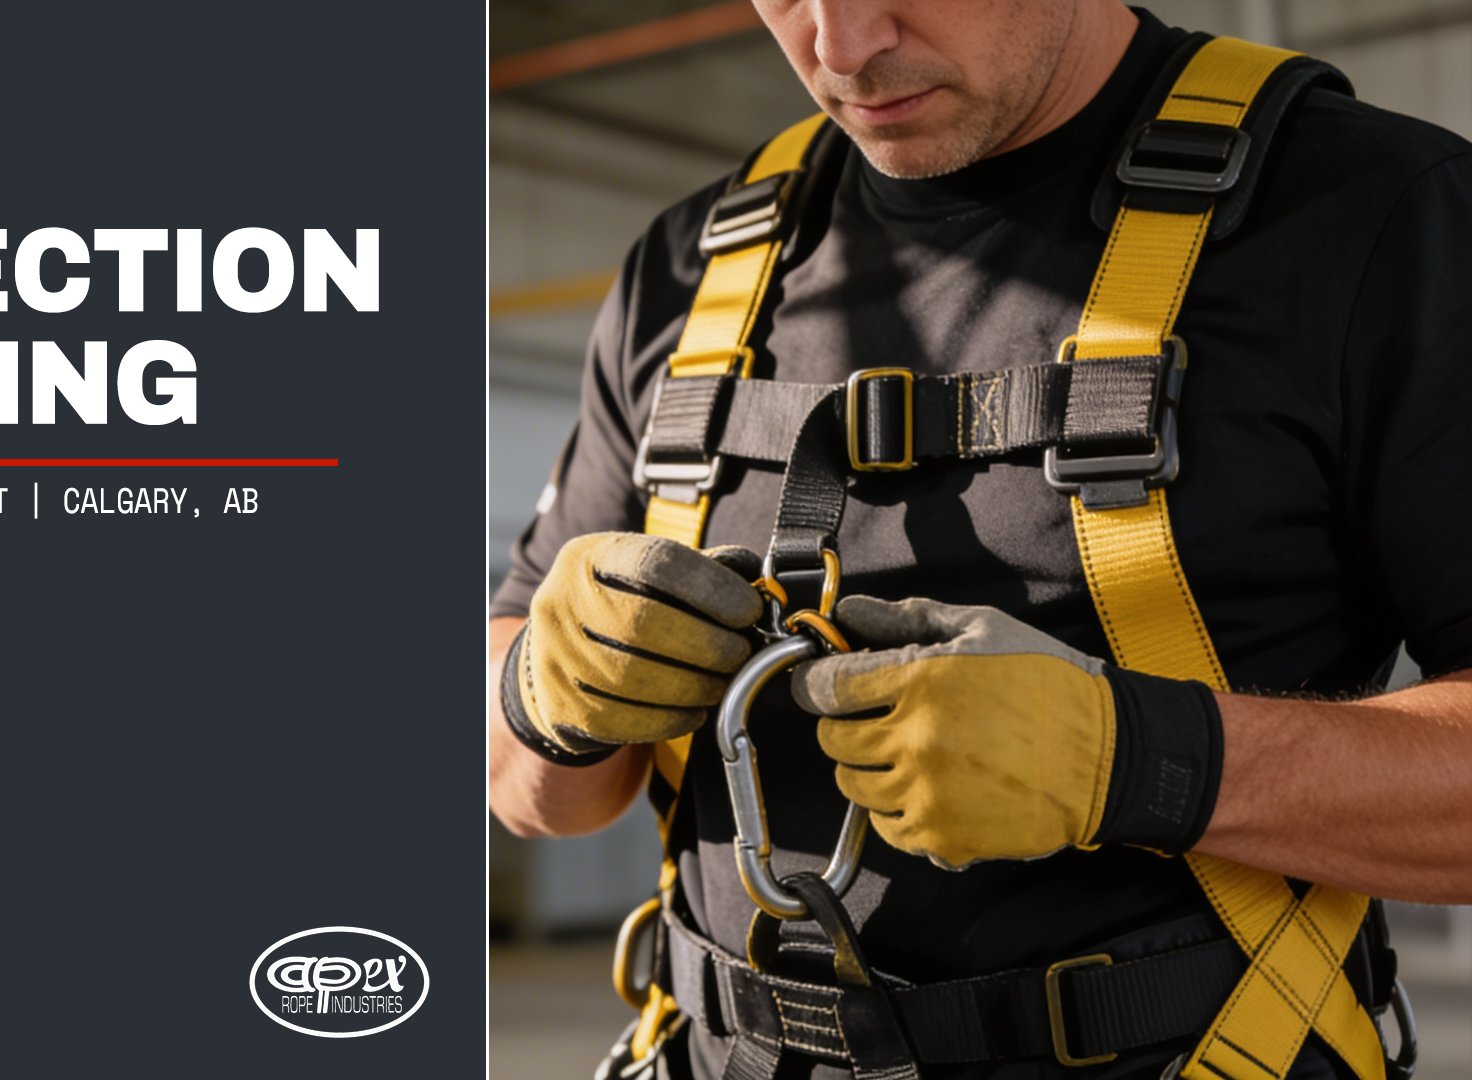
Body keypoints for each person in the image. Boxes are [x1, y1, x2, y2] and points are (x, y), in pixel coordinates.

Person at [487, 2, 1472, 1078]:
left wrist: (1138, 762)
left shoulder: (1382, 218)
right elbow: (528, 789)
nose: (841, 46)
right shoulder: (687, 273)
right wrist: (540, 691)